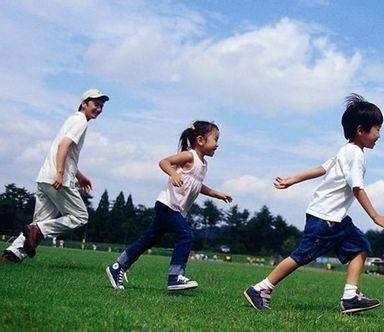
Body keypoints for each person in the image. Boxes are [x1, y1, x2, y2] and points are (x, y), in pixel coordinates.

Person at [244, 94, 384, 314]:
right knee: (302, 256)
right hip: (325, 218)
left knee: (360, 246)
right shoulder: (355, 155)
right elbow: (357, 187)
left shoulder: (346, 151)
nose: (379, 135)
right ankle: (260, 289)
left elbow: (323, 168)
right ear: (361, 130)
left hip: (336, 219)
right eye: (377, 129)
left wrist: (293, 179)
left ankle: (350, 297)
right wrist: (375, 216)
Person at [106, 121, 232, 291]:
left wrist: (217, 194)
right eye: (215, 139)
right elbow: (164, 162)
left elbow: (196, 185)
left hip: (174, 209)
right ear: (201, 140)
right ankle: (175, 277)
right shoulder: (189, 156)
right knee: (186, 235)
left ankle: (118, 267)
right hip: (167, 206)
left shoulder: (203, 164)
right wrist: (173, 173)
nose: (217, 144)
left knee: (147, 241)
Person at [0, 89, 109, 263]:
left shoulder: (72, 119)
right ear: (84, 104)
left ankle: (11, 255)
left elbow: (65, 150)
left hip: (45, 176)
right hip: (58, 179)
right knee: (80, 216)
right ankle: (37, 231)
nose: (99, 109)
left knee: (40, 222)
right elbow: (63, 146)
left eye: (101, 106)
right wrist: (60, 173)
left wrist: (78, 175)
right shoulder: (81, 122)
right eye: (96, 104)